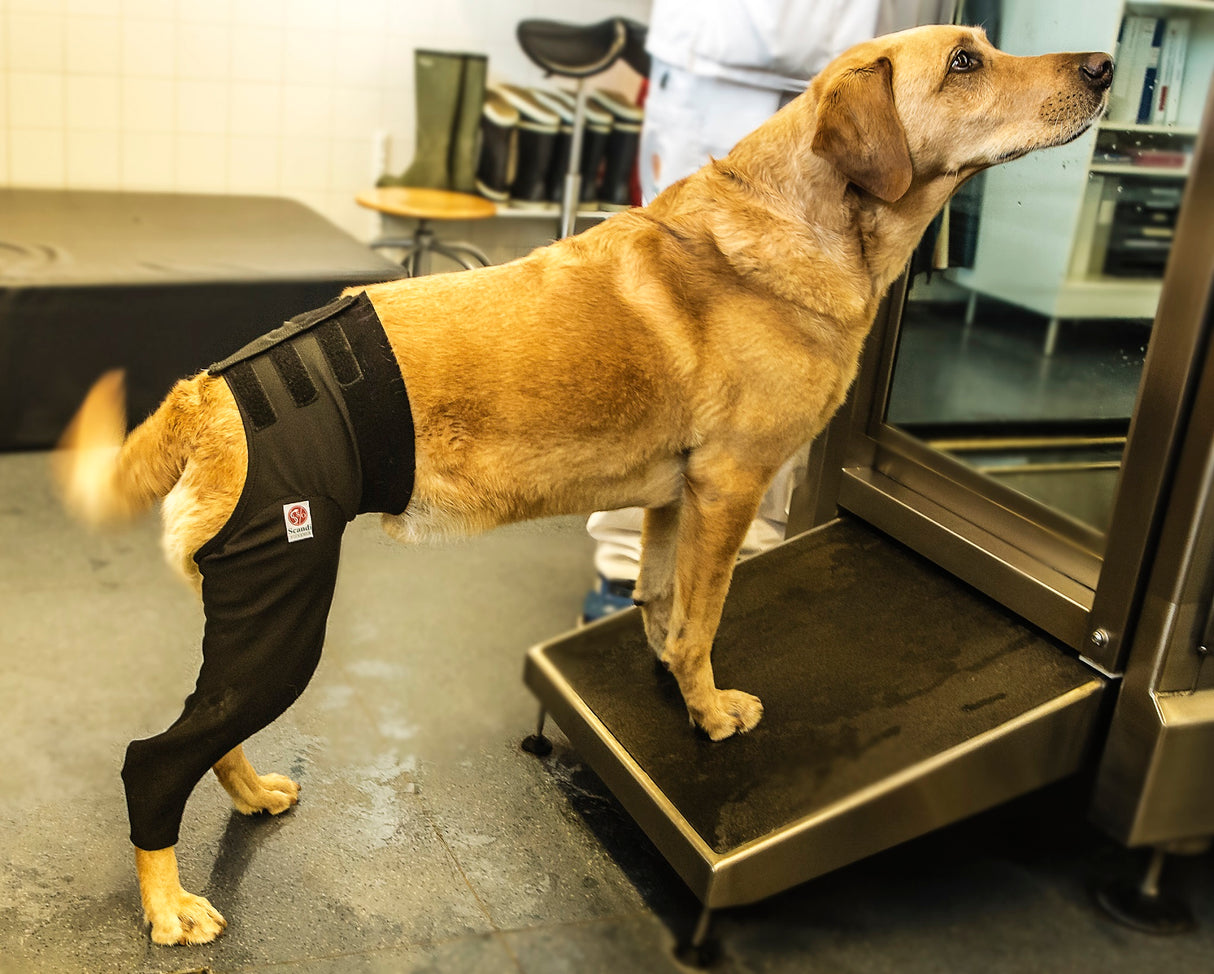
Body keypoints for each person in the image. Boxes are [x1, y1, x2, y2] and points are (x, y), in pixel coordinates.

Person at [582, 0, 883, 622]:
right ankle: (624, 579)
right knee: (667, 337)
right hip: (722, 85)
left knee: (784, 367)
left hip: (846, 92)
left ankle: (729, 571)